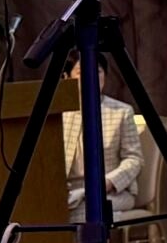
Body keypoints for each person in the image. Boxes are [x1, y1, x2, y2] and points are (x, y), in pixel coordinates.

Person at [59, 56, 143, 224]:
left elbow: (134, 159)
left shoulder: (121, 112)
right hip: (68, 193)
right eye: (81, 72)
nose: (91, 76)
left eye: (97, 71)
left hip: (111, 192)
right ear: (67, 77)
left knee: (87, 212)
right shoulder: (59, 113)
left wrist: (108, 182)